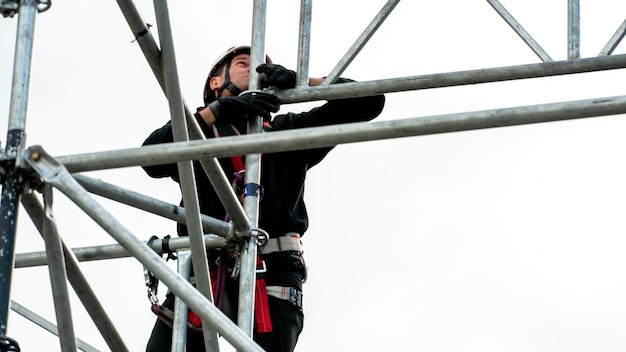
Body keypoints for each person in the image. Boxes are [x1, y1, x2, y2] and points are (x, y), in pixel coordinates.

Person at [142, 45, 385, 352]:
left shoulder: (288, 131)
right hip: (206, 269)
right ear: (215, 83)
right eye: (243, 64)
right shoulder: (196, 133)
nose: (253, 69)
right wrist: (214, 114)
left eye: (261, 66)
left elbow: (370, 101)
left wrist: (303, 82)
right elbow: (150, 158)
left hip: (274, 268)